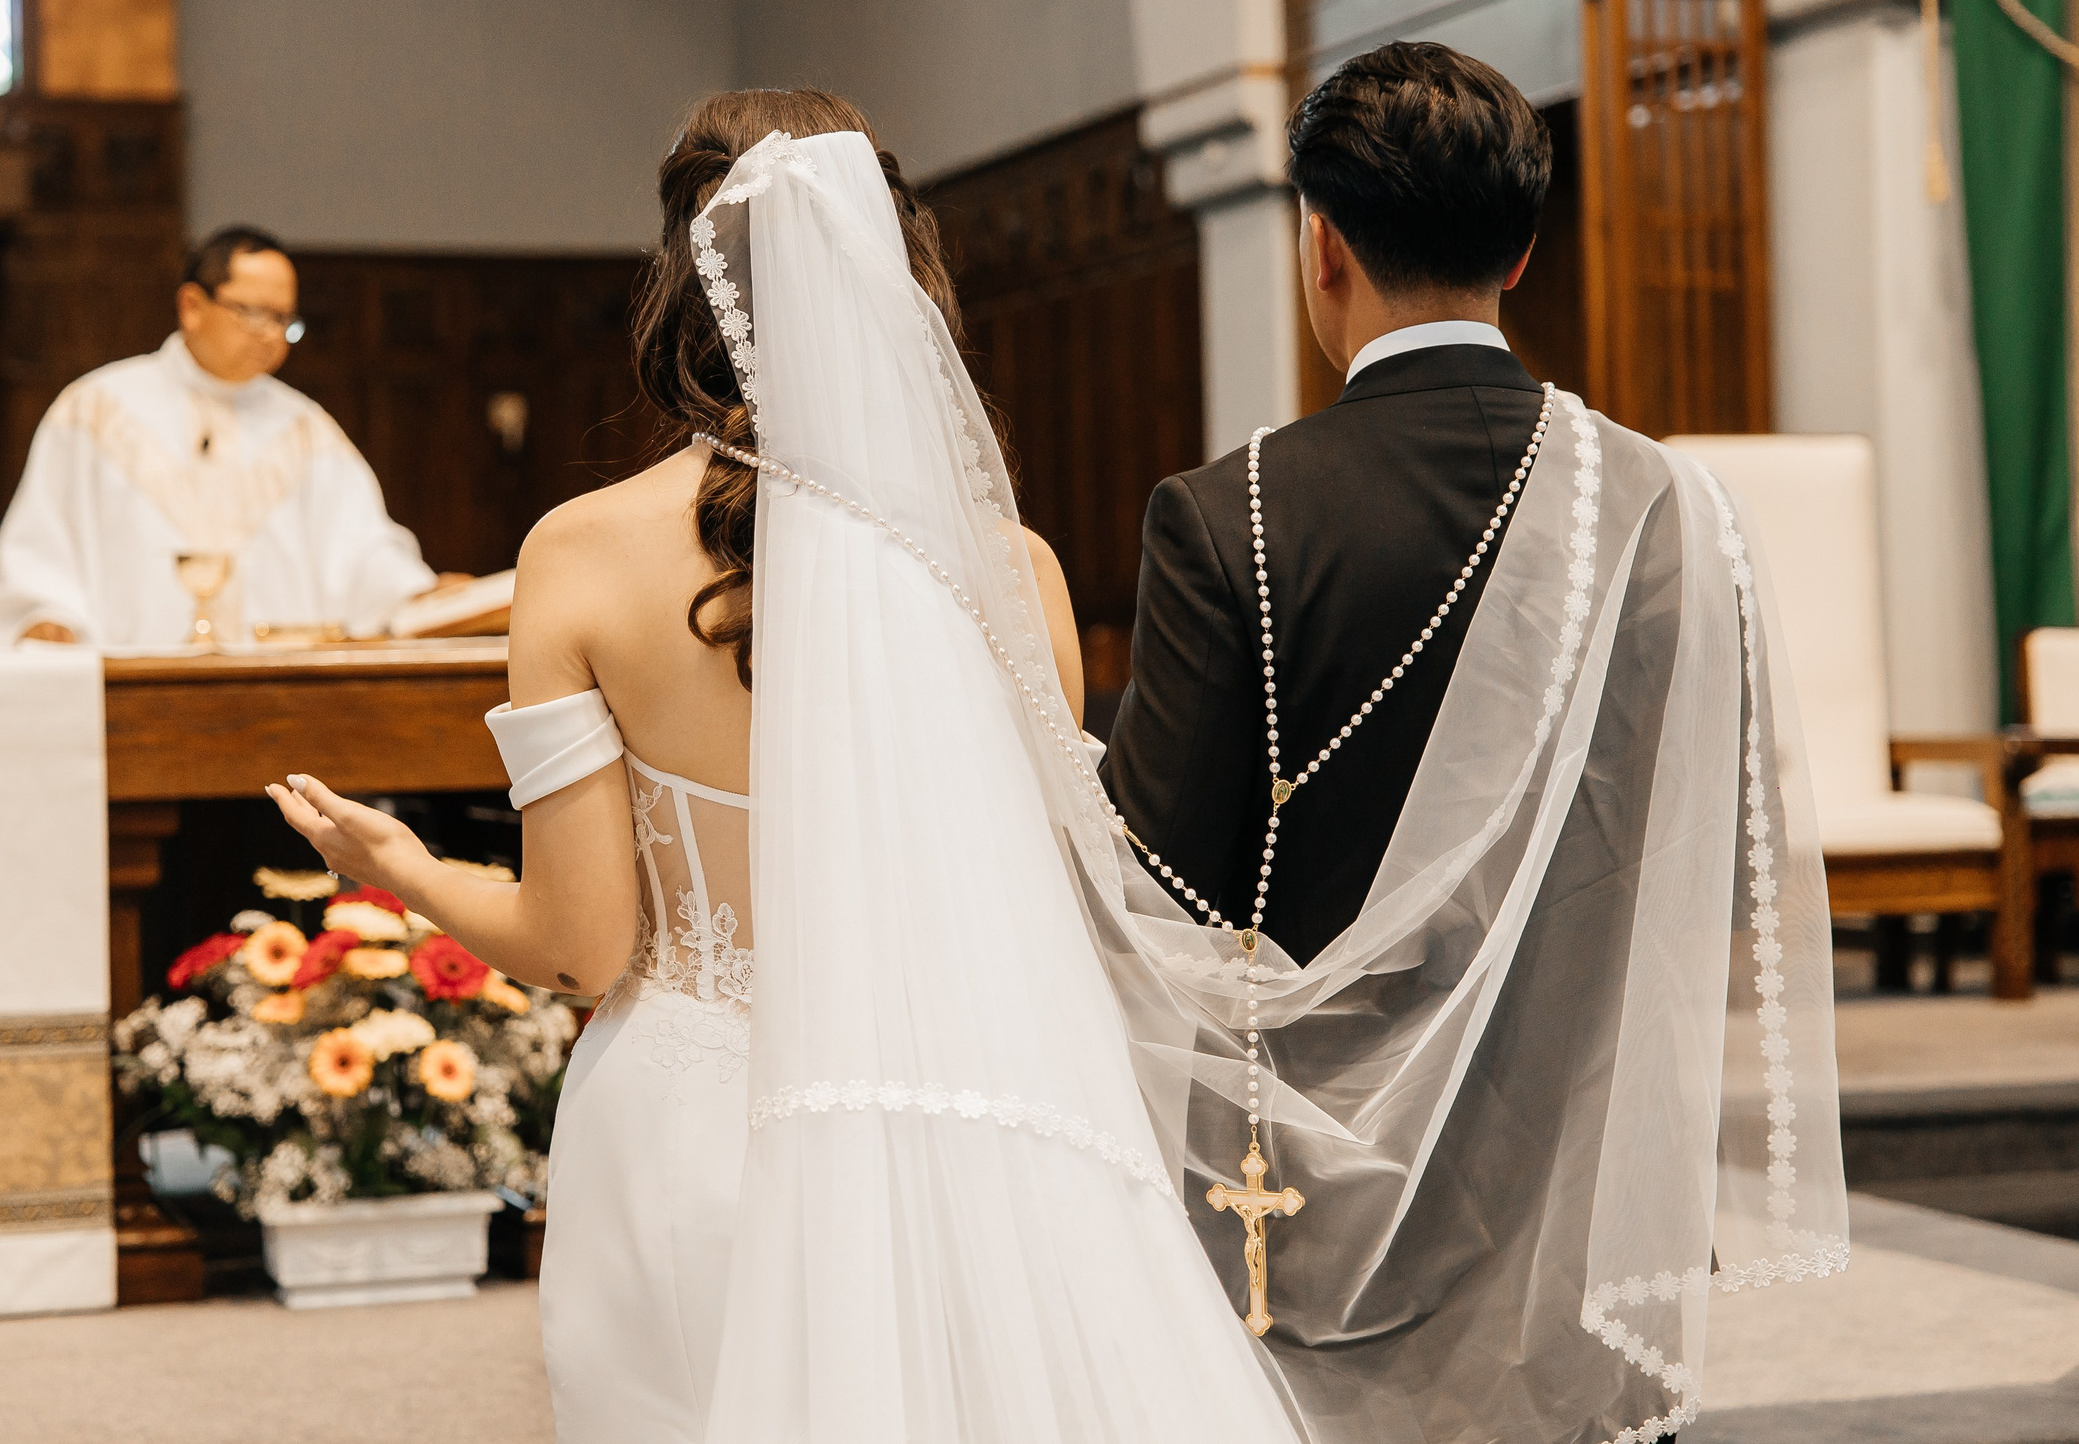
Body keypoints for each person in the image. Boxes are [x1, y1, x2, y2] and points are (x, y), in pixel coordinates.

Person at [270, 92, 1308, 1443]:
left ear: (681, 291)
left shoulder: (579, 553)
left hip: (702, 1129)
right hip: (975, 1114)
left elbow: (580, 948)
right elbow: (1045, 908)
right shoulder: (1014, 568)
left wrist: (400, 866)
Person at [1099, 42, 1849, 1439]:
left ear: (1322, 244)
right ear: (1520, 253)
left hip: (1317, 1206)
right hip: (1585, 1186)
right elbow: (1705, 835)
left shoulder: (1231, 512)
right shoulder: (1668, 510)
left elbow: (1164, 886)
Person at [0, 226, 439, 647]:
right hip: (132, 690)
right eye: (253, 313)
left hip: (274, 690)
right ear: (192, 307)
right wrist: (44, 618)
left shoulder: (307, 430)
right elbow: (40, 552)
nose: (271, 336)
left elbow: (362, 550)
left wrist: (417, 595)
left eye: (283, 320)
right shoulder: (94, 411)